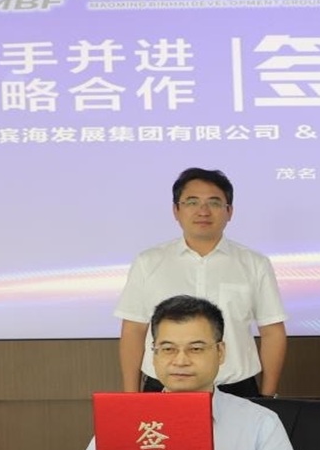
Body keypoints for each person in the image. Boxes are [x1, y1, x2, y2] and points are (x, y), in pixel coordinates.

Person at [73, 295, 306, 450]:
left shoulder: (258, 420)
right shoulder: (121, 420)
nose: (181, 360)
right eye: (168, 349)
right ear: (154, 354)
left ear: (220, 352)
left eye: (195, 349)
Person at [115, 168, 287, 398]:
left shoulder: (254, 264)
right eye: (192, 202)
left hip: (236, 389)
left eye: (214, 203)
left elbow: (272, 331)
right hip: (164, 388)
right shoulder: (148, 262)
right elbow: (134, 330)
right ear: (176, 210)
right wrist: (131, 397)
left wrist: (267, 397)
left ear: (229, 211)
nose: (203, 211)